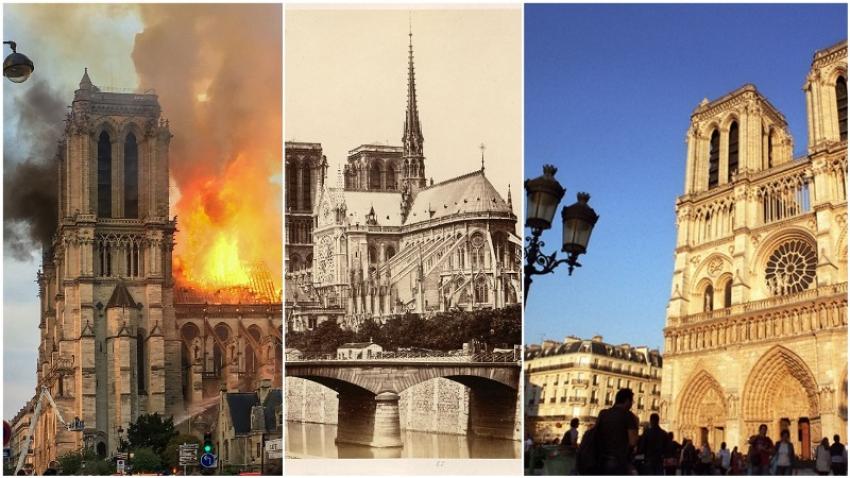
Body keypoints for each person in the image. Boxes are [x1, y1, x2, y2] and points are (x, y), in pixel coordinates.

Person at [595, 388, 639, 475]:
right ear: (627, 401)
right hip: (619, 461)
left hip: (600, 459)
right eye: (631, 402)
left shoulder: (603, 414)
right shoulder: (629, 416)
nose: (631, 405)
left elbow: (596, 433)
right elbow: (633, 441)